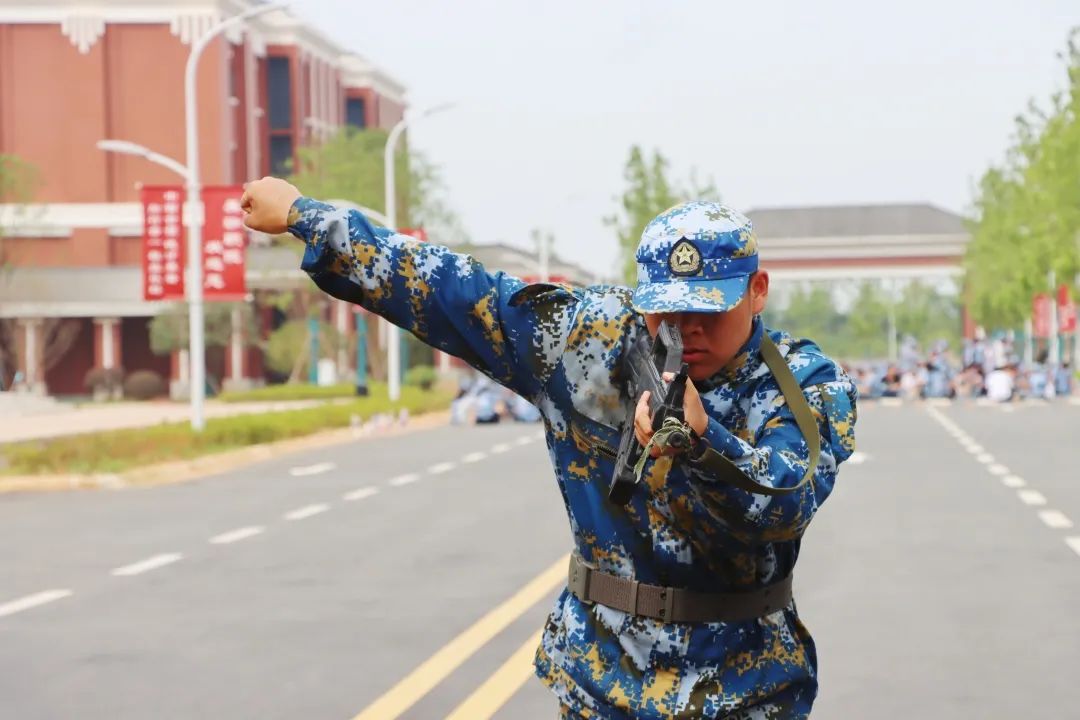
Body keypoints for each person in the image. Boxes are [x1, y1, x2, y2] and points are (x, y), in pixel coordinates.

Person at [241, 178, 858, 719]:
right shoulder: (585, 338)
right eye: (665, 312)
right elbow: (448, 288)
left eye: (708, 310)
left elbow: (787, 502)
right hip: (602, 682)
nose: (685, 330)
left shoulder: (803, 384)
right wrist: (305, 215)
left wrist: (704, 444)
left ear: (757, 290)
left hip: (744, 690)